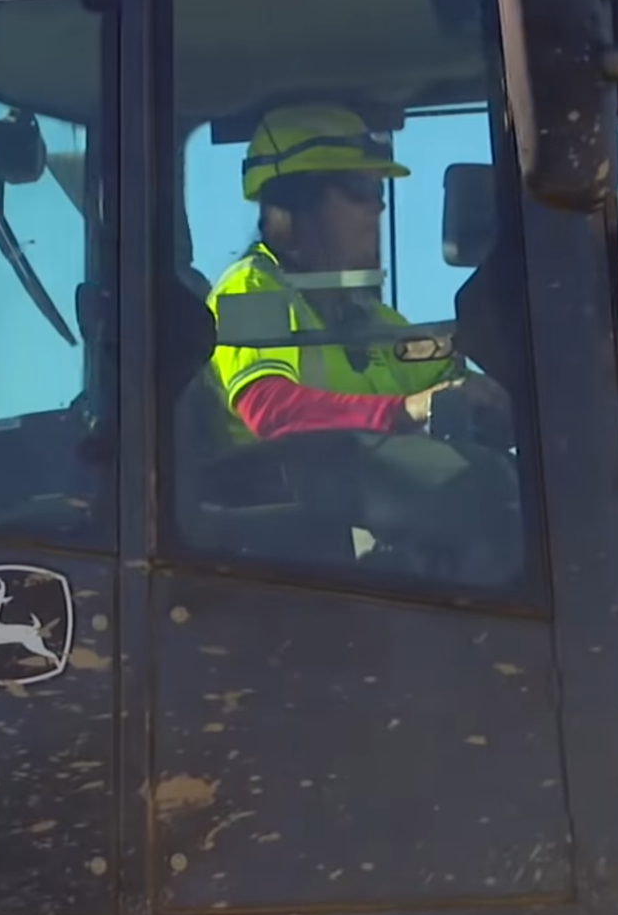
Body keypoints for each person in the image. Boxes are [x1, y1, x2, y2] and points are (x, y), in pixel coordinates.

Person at [197, 102, 523, 585]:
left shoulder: (373, 318)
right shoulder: (251, 292)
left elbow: (449, 388)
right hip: (279, 558)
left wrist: (509, 407)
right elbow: (270, 408)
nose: (379, 206)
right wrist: (405, 411)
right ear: (289, 211)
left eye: (378, 189)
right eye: (359, 189)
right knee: (484, 492)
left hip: (363, 539)